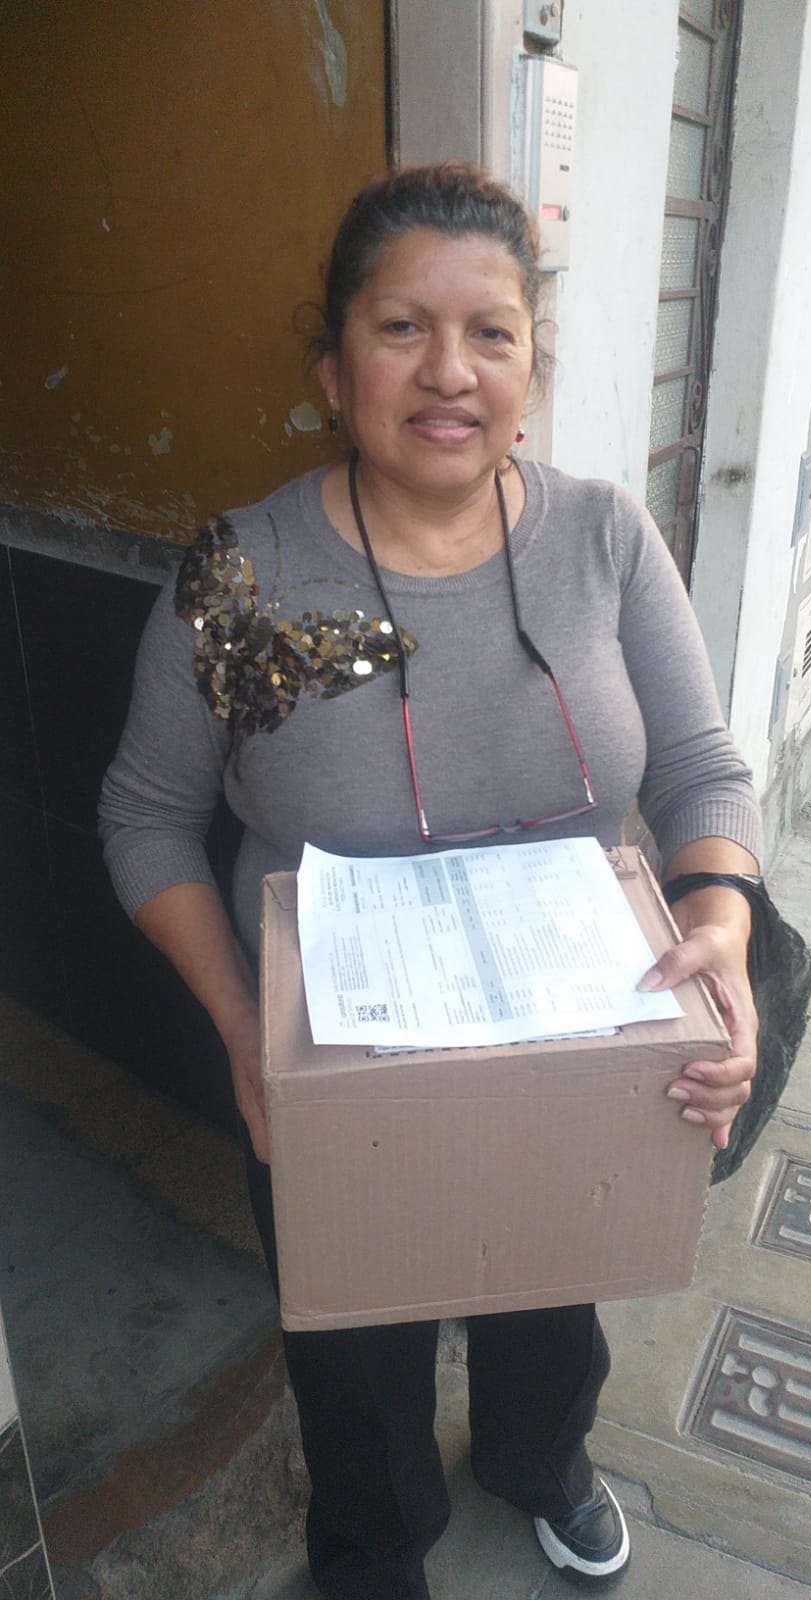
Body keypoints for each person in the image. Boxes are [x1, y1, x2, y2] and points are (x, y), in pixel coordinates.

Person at [99, 163, 763, 1600]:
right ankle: (374, 1541)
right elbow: (145, 819)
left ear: (531, 366)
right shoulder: (245, 575)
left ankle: (539, 1457)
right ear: (335, 368)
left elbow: (701, 766)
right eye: (402, 328)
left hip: (578, 1028)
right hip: (337, 1053)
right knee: (354, 1346)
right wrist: (242, 1029)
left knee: (553, 1295)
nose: (449, 372)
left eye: (491, 333)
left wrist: (718, 922)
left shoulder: (603, 539)